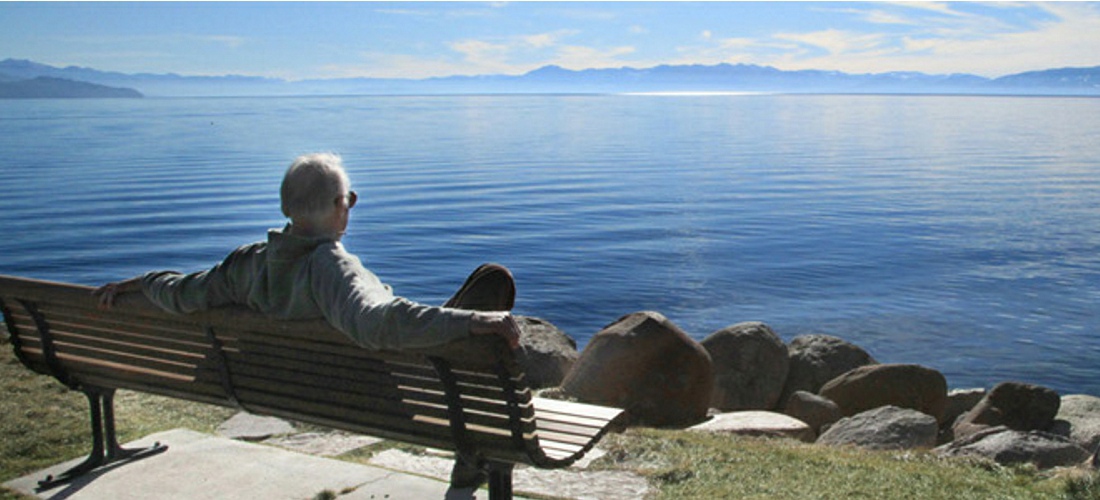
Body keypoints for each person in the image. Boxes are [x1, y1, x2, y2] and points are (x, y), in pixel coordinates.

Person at [94, 152, 520, 351]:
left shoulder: (247, 264)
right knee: (494, 280)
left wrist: (137, 284)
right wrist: (471, 320)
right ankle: (471, 463)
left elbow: (182, 292)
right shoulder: (331, 268)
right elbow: (376, 323)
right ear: (340, 206)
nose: (349, 206)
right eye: (349, 199)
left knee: (485, 277)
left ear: (286, 210)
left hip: (283, 383)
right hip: (376, 382)